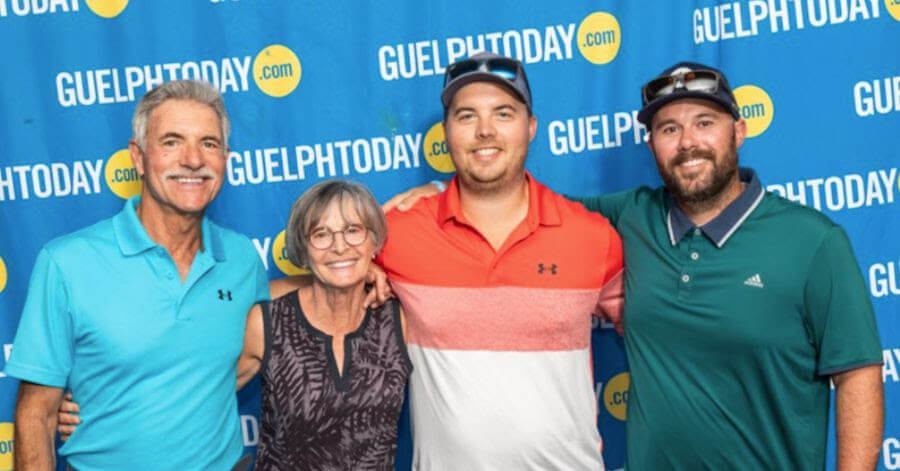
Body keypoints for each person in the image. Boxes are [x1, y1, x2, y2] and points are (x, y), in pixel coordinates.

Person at [390, 61, 884, 470]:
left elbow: (858, 372)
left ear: (740, 130)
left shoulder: (814, 241)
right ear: (651, 144)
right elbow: (513, 202)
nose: (688, 142)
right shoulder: (629, 219)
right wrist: (437, 196)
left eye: (705, 123)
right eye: (669, 128)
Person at [6, 80, 269, 470]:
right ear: (138, 157)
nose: (193, 159)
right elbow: (36, 415)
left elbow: (249, 351)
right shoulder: (67, 263)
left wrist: (370, 270)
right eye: (172, 142)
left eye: (209, 143)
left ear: (225, 158)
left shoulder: (242, 260)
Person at [379, 52, 624, 469]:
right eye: (467, 116)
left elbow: (664, 339)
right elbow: (321, 293)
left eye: (503, 113)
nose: (485, 131)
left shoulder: (591, 236)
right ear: (447, 133)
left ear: (531, 128)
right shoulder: (396, 232)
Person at [236, 180, 411, 470]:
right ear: (303, 249)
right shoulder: (267, 324)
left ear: (374, 241)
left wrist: (433, 188)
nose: (339, 246)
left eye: (353, 231)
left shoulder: (399, 318)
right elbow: (207, 397)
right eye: (321, 235)